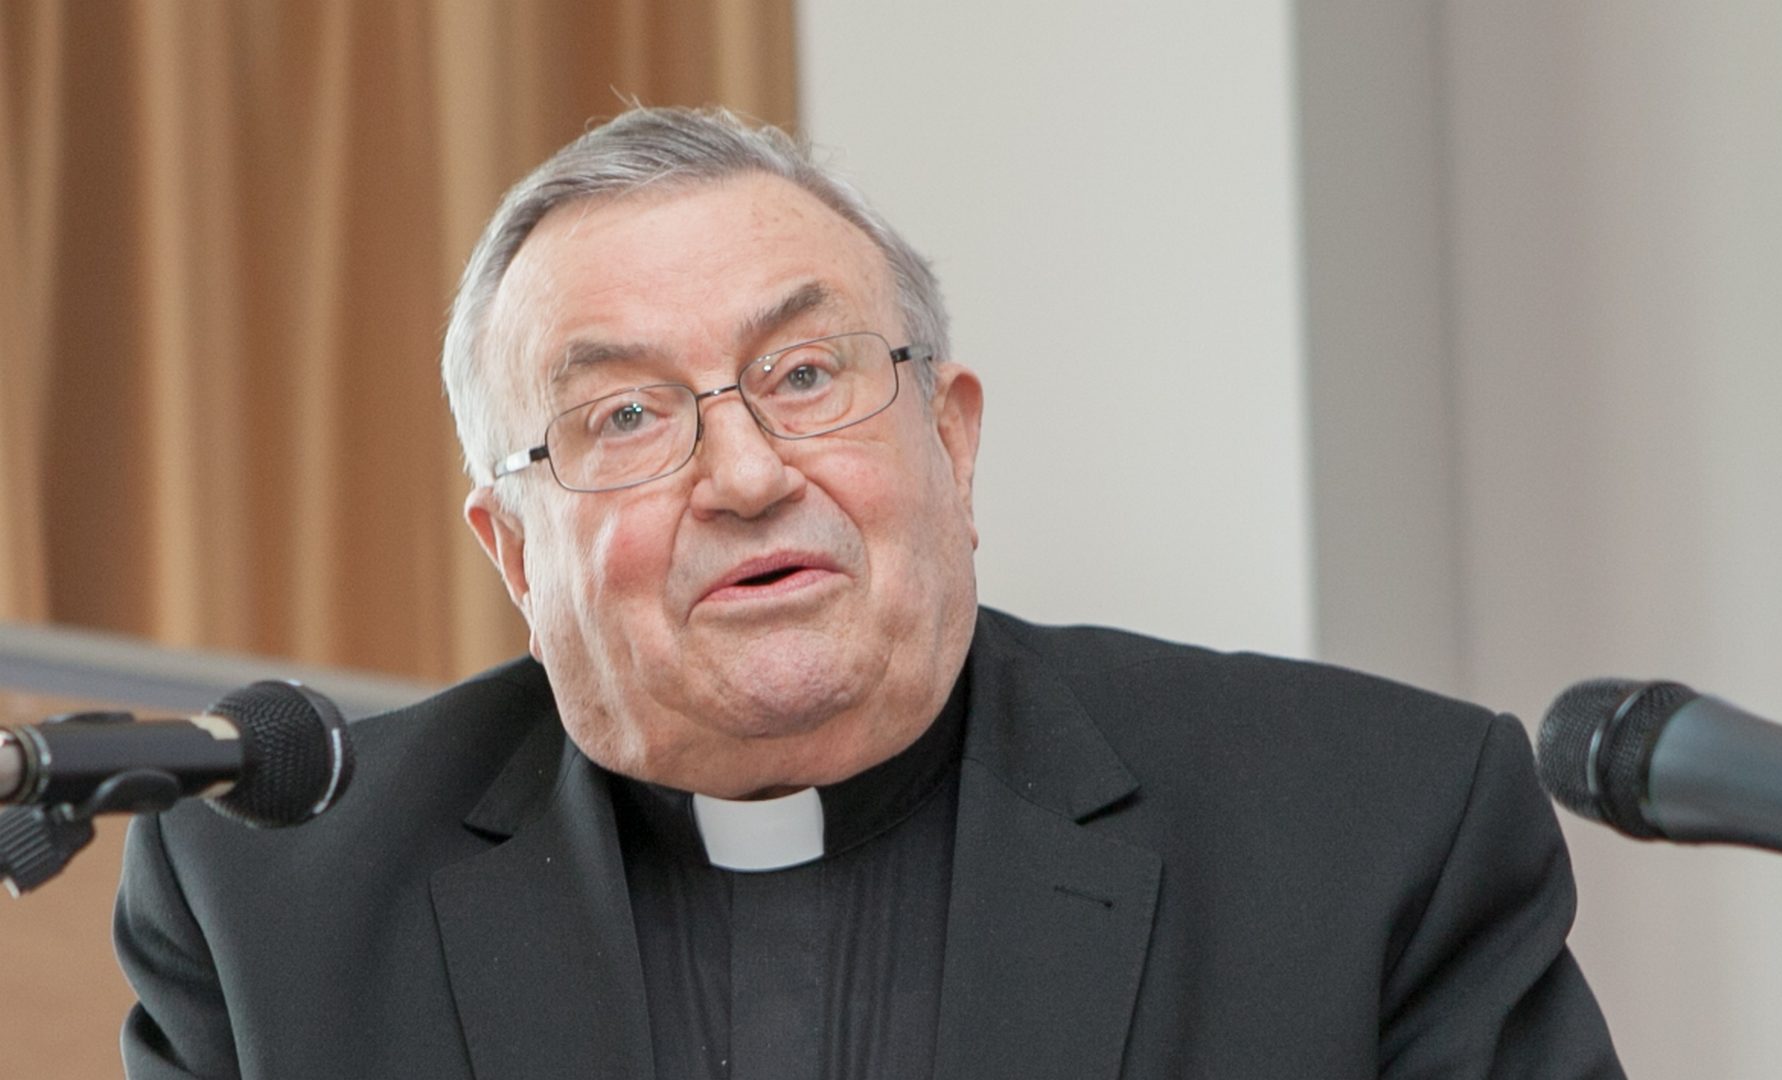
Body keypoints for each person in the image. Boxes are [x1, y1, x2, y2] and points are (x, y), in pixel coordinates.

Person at [115, 105, 1625, 1079]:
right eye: (626, 417)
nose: (750, 473)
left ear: (951, 441)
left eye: (806, 374)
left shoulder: (1373, 830)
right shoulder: (272, 902)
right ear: (515, 552)